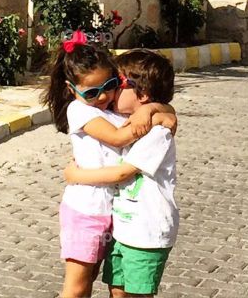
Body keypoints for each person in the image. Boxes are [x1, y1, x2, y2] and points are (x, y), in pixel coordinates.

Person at [44, 33, 176, 298]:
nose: (104, 96)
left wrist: (151, 111)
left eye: (112, 85)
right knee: (78, 287)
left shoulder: (116, 110)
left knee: (94, 280)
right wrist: (77, 175)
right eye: (92, 92)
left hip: (114, 215)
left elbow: (169, 116)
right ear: (73, 90)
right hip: (86, 210)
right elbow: (118, 138)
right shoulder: (80, 111)